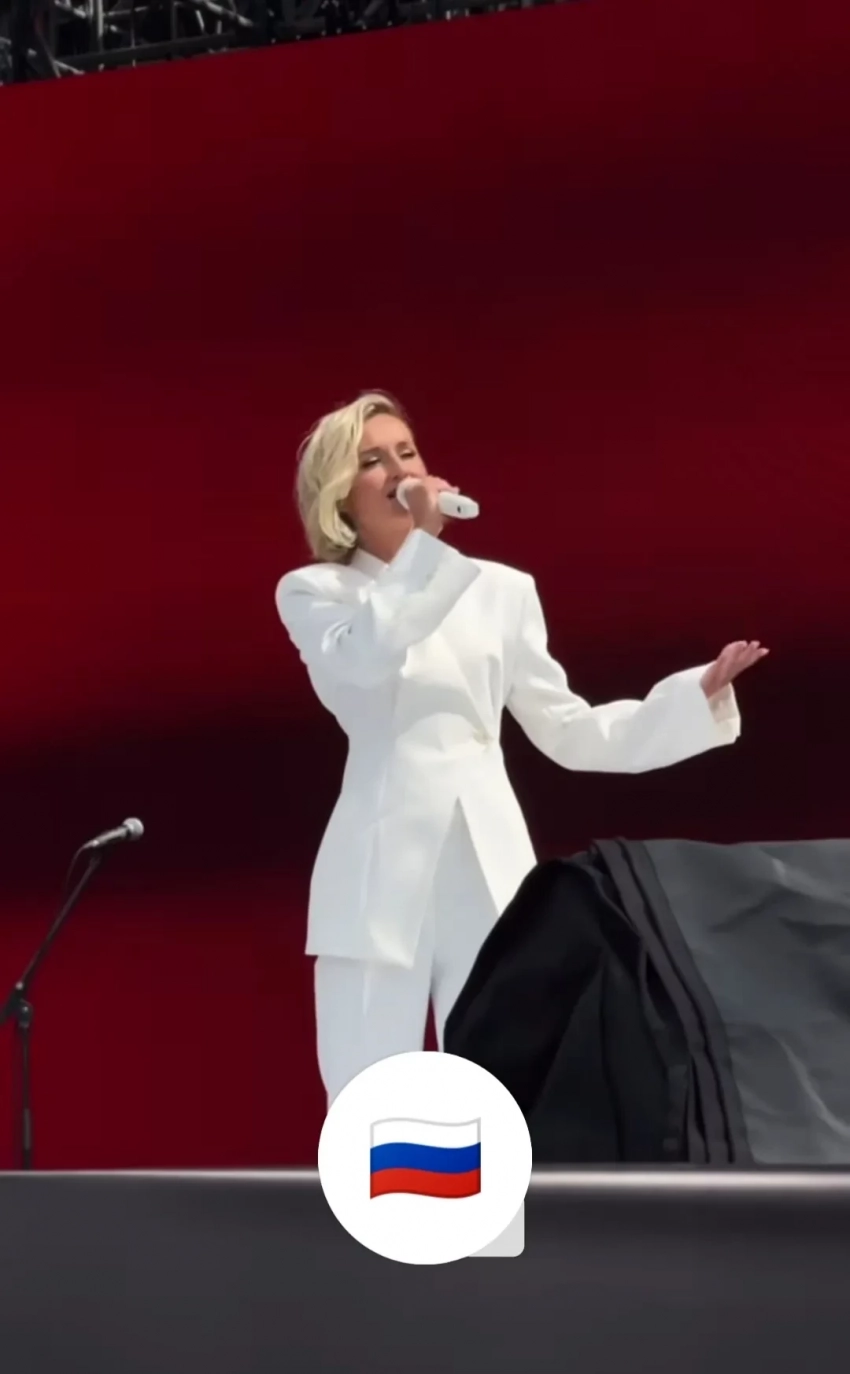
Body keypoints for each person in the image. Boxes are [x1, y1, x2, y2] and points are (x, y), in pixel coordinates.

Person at [275, 392, 769, 1105]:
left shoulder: (500, 592)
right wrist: (425, 549)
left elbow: (569, 729)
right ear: (339, 494)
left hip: (487, 859)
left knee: (498, 1086)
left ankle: (494, 1185)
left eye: (407, 452)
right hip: (379, 870)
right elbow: (367, 657)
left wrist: (694, 699)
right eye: (372, 460)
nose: (399, 470)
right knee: (369, 1094)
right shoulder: (318, 592)